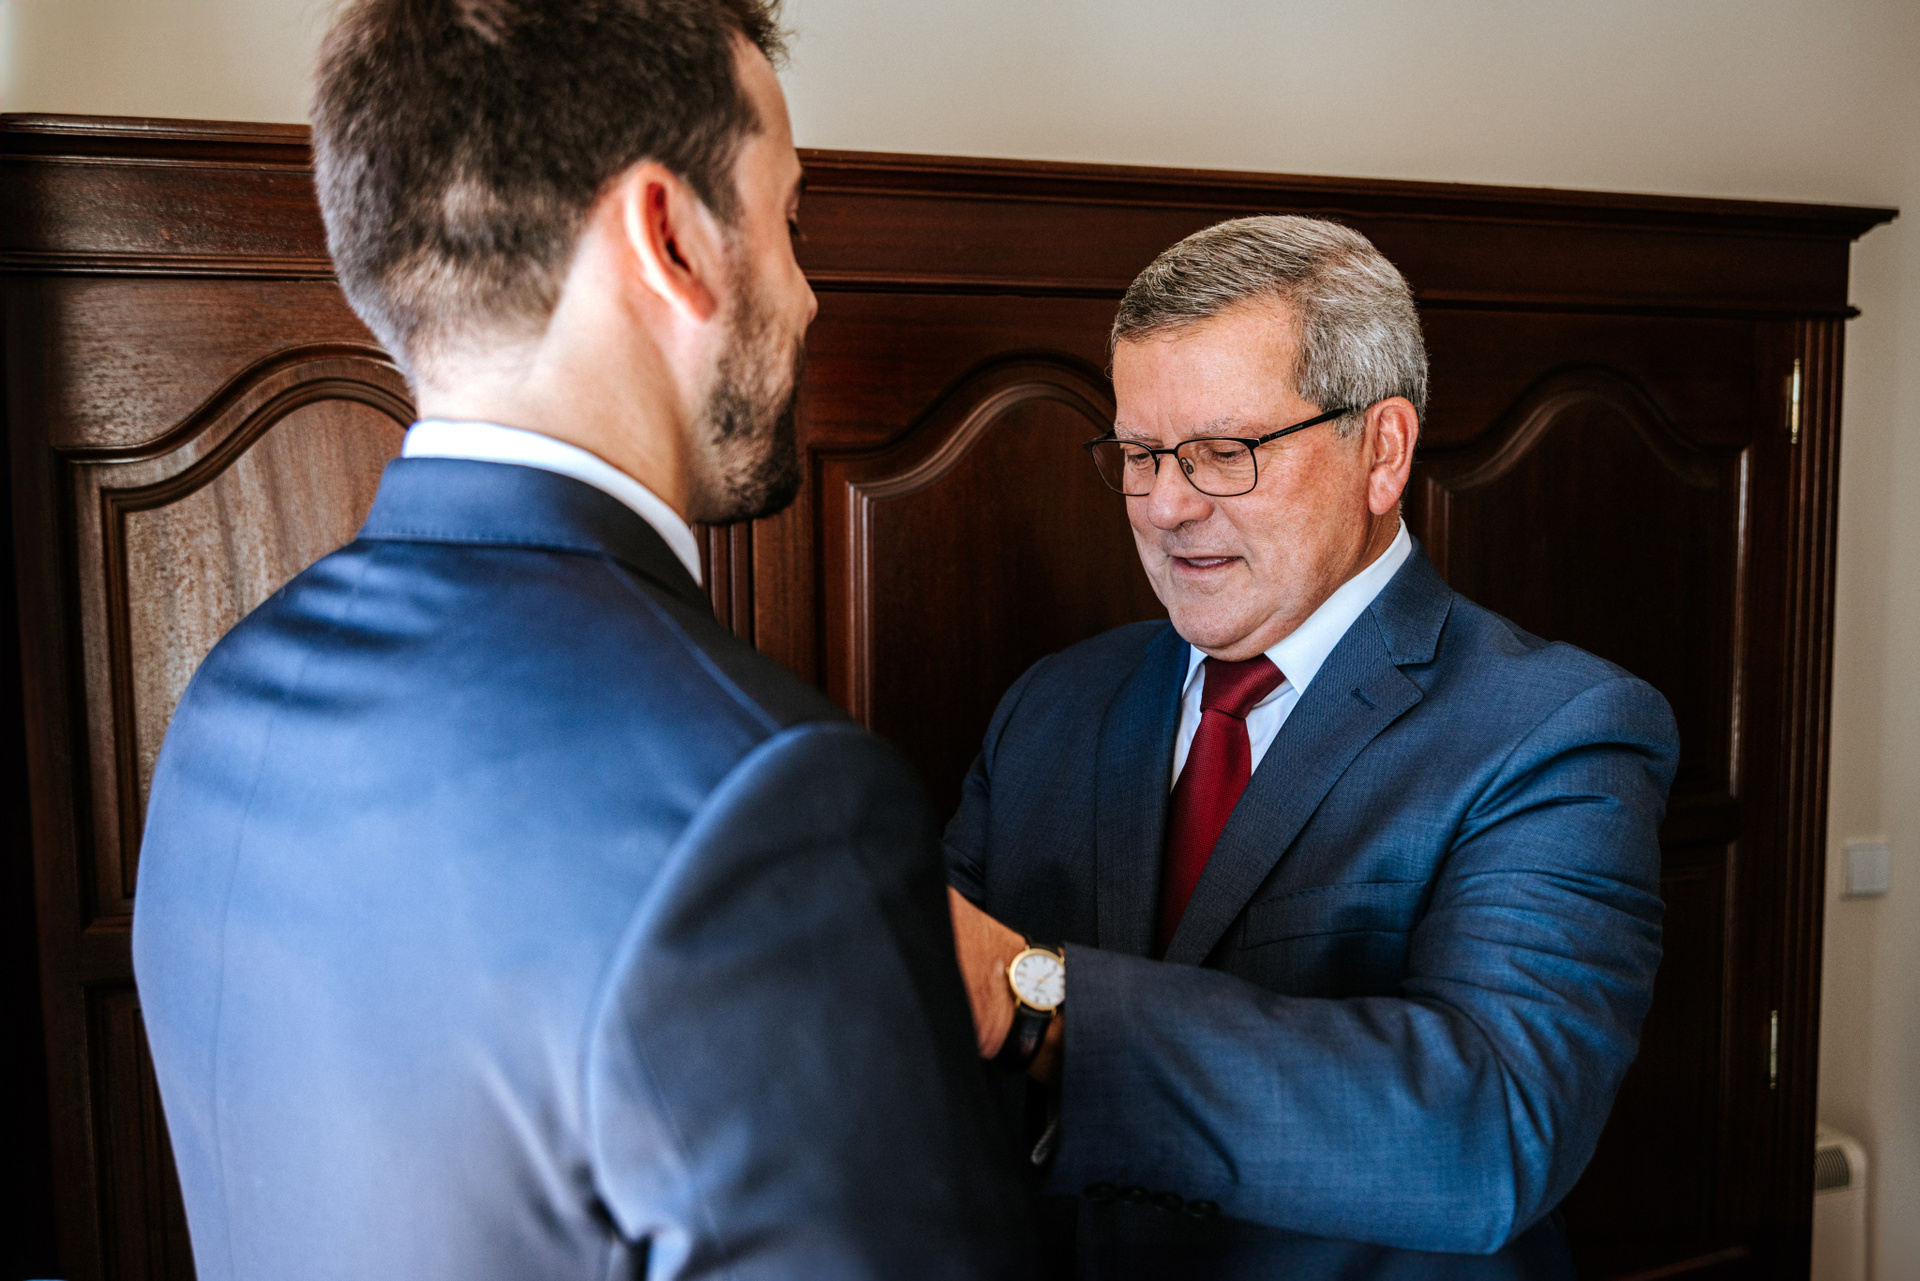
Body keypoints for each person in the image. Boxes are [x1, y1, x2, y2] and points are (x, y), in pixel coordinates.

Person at [131, 2, 1034, 1277]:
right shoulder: (771, 799)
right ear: (670, 237)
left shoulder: (230, 700)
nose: (808, 294)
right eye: (790, 220)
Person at [945, 215, 1677, 1279]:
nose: (1165, 505)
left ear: (1382, 451)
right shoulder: (1049, 705)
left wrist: (1040, 1007)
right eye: (1140, 455)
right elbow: (923, 1040)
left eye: (1223, 453)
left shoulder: (1560, 730)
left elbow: (1489, 1136)